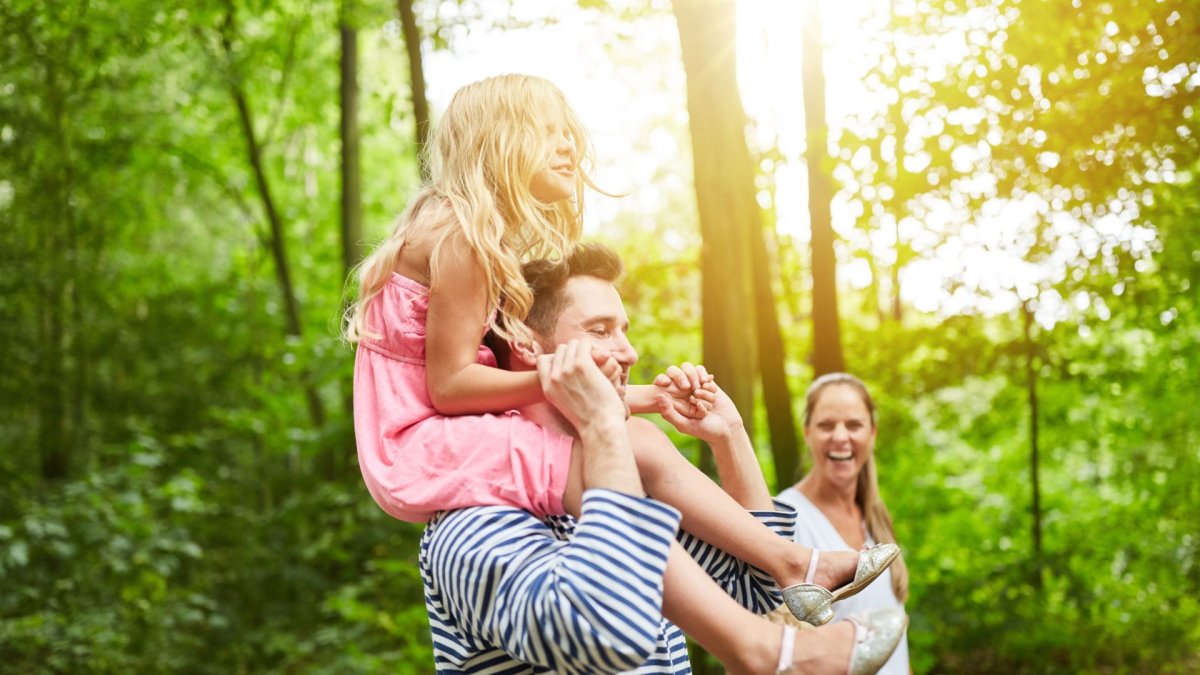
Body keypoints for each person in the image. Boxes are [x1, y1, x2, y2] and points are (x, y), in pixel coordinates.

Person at [342, 74, 898, 620]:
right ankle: (751, 641)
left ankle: (793, 563)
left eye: (568, 132)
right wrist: (569, 382)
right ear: (501, 139)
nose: (569, 146)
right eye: (549, 131)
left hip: (434, 430)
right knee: (611, 468)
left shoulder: (462, 230)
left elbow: (749, 588)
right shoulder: (463, 238)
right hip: (416, 442)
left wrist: (665, 404)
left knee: (639, 441)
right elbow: (449, 387)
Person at [421, 244, 908, 674]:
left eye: (624, 331)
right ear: (526, 342)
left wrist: (730, 438)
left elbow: (754, 588)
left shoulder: (623, 483)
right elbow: (602, 635)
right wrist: (607, 430)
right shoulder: (473, 518)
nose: (628, 352)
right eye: (600, 330)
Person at [776, 374, 912, 674]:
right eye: (826, 425)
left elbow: (896, 635)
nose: (840, 436)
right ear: (807, 432)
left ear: (873, 433)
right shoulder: (786, 516)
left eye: (854, 425)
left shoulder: (875, 517)